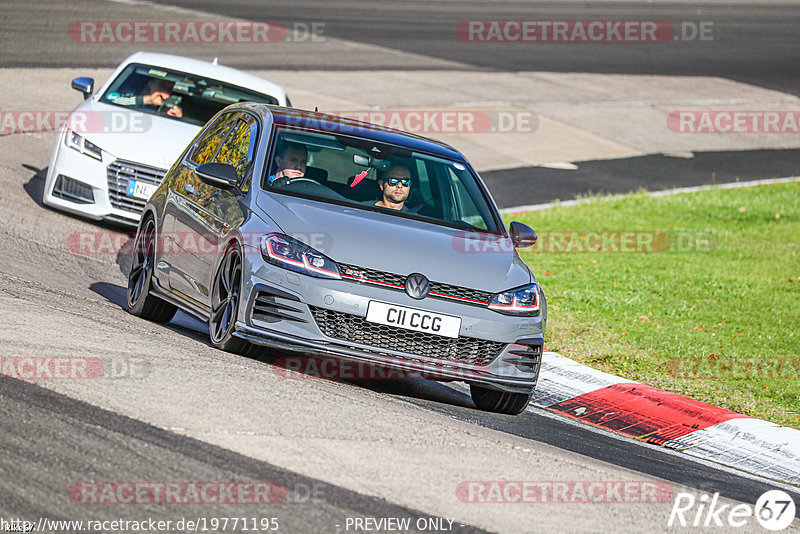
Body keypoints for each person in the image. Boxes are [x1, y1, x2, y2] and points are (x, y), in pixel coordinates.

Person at [110, 78, 183, 118]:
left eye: (169, 88)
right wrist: (148, 100)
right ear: (150, 84)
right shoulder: (128, 93)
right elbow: (110, 100)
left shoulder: (166, 108)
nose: (165, 92)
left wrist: (177, 117)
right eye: (162, 86)